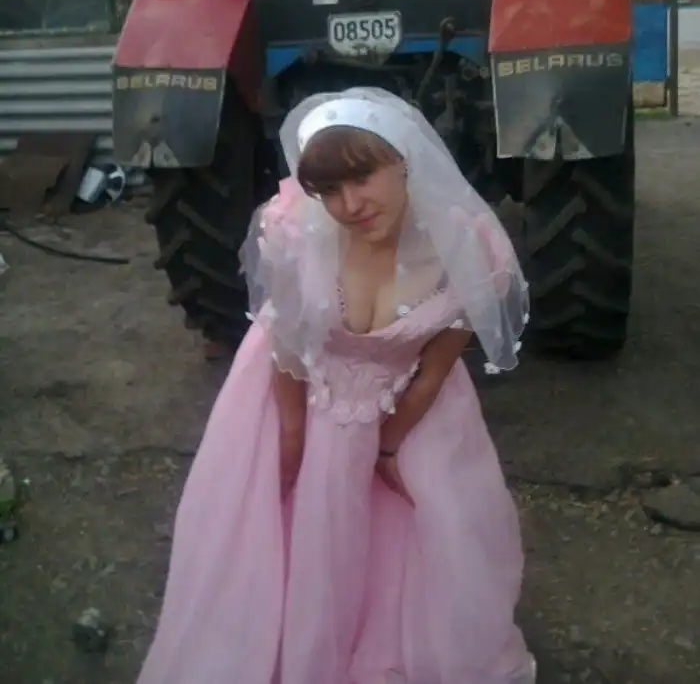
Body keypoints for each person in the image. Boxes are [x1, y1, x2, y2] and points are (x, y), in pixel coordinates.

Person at [136, 87, 536, 684]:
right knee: (280, 530)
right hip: (301, 395)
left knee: (439, 530)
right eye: (328, 190)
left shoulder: (468, 246)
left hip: (407, 408)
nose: (349, 205)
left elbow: (434, 370)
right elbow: (288, 353)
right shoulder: (296, 232)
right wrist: (292, 443)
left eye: (363, 177)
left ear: (403, 159)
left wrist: (388, 448)